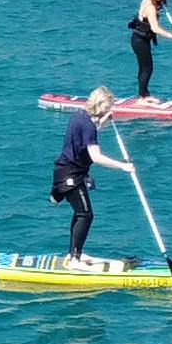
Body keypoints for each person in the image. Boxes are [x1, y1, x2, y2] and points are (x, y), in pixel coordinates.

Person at [51, 91, 138, 269]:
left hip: (67, 170)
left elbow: (86, 134)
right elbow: (96, 157)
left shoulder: (79, 114)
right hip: (70, 175)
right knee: (85, 215)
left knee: (81, 214)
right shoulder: (89, 125)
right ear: (99, 104)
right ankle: (74, 260)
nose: (109, 109)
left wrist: (103, 122)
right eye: (107, 106)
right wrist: (123, 166)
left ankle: (75, 254)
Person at [130, 0, 172, 99]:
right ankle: (143, 96)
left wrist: (160, 2)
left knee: (143, 68)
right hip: (140, 41)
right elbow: (155, 28)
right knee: (147, 68)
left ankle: (143, 93)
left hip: (139, 39)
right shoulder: (150, 8)